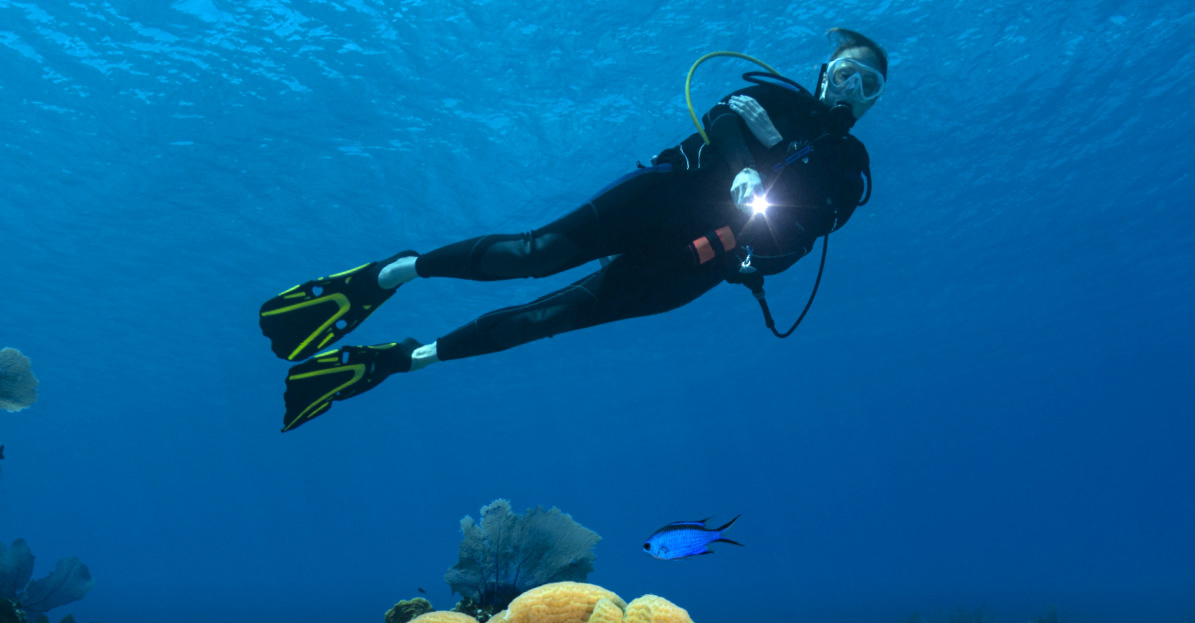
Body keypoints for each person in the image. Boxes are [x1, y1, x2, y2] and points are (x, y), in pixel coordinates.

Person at [261, 28, 884, 432]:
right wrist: (746, 168)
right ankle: (391, 274)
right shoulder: (781, 98)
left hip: (694, 263)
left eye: (869, 85)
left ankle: (402, 360)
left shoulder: (849, 170)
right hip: (662, 197)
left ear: (873, 100)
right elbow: (722, 116)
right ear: (825, 72)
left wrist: (756, 241)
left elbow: (798, 243)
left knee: (547, 318)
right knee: (533, 255)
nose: (852, 90)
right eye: (846, 74)